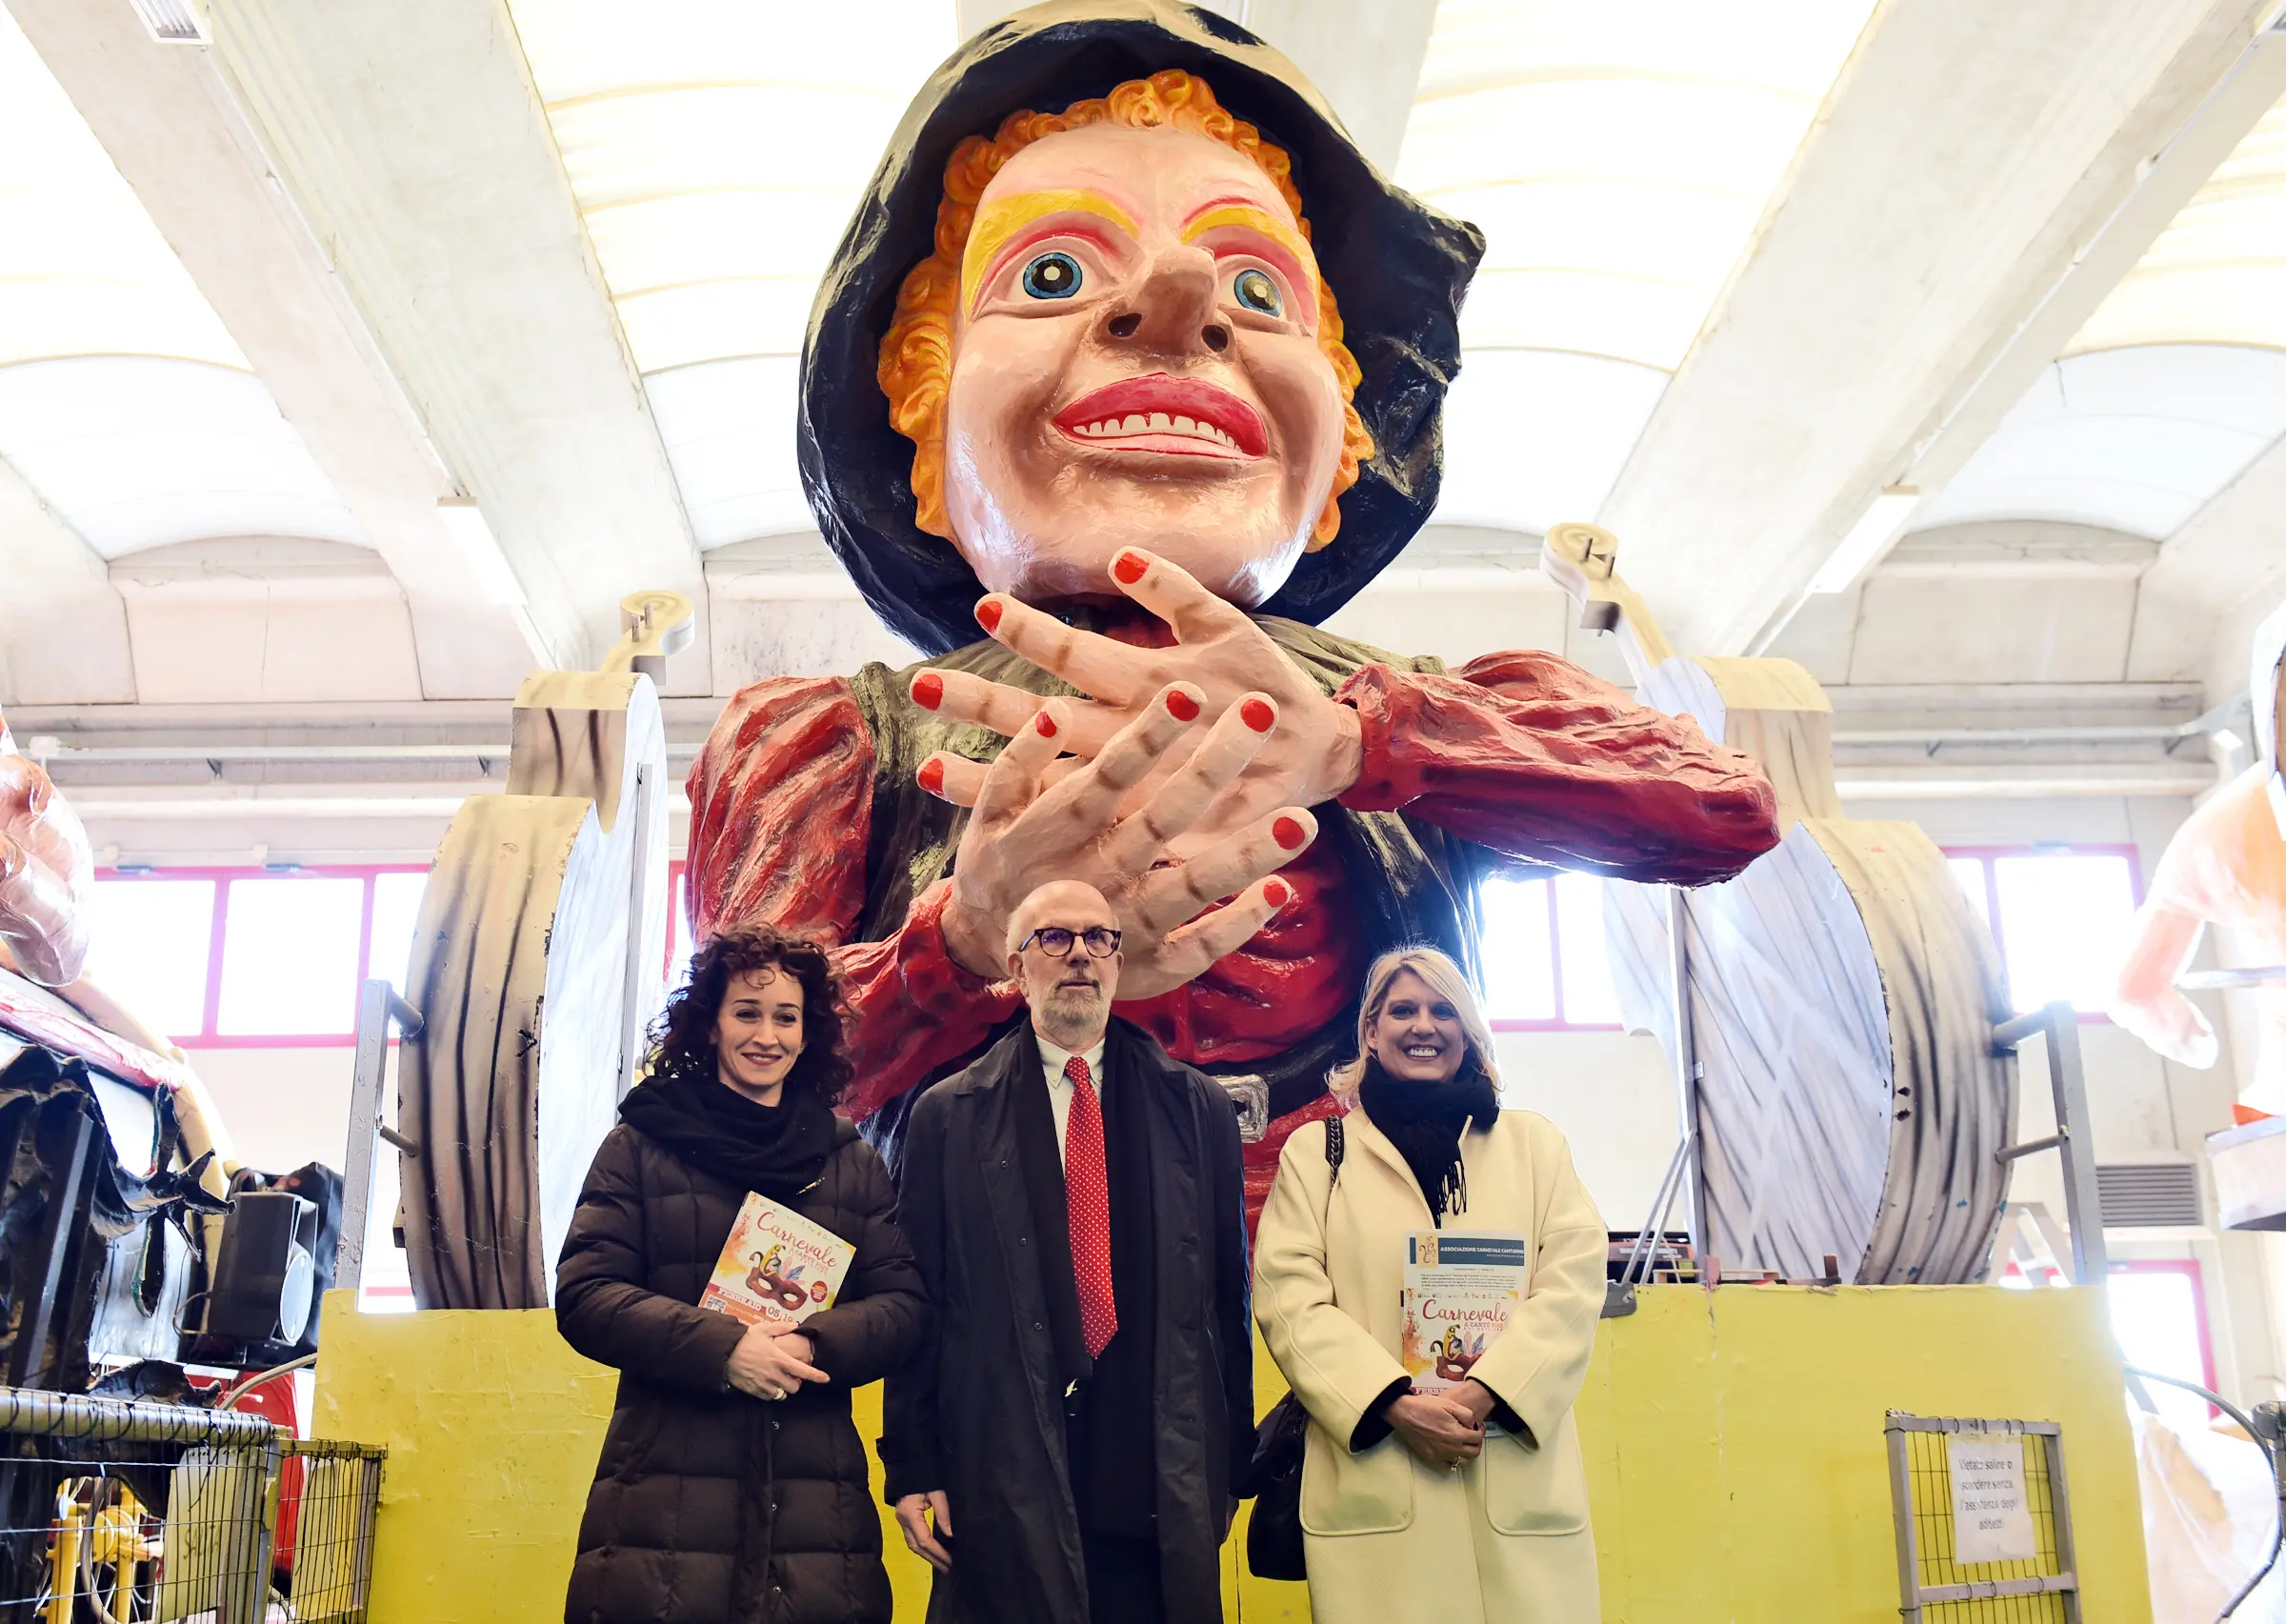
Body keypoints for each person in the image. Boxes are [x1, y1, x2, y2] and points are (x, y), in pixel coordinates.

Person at [684, 3, 1781, 1220]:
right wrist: (958, 946)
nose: (1181, 292)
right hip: (986, 1320)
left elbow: (1719, 810)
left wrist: (1368, 742)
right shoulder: (834, 746)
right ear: (924, 432)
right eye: (1051, 274)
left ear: (1342, 450)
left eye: (1259, 289)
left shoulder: (1418, 715)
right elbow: (715, 1103)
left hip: (1352, 1306)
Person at [882, 878, 1252, 1624]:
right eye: (1054, 938)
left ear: (1118, 962)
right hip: (1002, 1462)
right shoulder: (948, 1115)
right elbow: (920, 1305)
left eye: (1098, 938)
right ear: (1017, 970)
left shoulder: (1198, 1109)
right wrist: (913, 1467)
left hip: (1153, 1468)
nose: (1079, 955)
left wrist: (1229, 1465)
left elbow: (1224, 1302)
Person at [556, 926, 927, 1624]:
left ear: (808, 1031)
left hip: (817, 1517)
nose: (767, 1034)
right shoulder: (639, 1146)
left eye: (785, 1016)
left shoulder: (848, 1160)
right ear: (710, 1022)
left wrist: (814, 1345)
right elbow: (585, 1292)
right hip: (660, 1507)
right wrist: (722, 1349)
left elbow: (903, 1305)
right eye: (746, 1012)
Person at [1254, 947, 1606, 1624]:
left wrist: (1485, 1392)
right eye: (1403, 1009)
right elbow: (1289, 1299)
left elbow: (1572, 1285)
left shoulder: (1536, 1147)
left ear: (1469, 1030)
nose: (1424, 1024)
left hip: (1514, 1485)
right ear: (1370, 1032)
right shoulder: (1318, 1154)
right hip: (1381, 1482)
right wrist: (1393, 1402)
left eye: (1444, 1009)